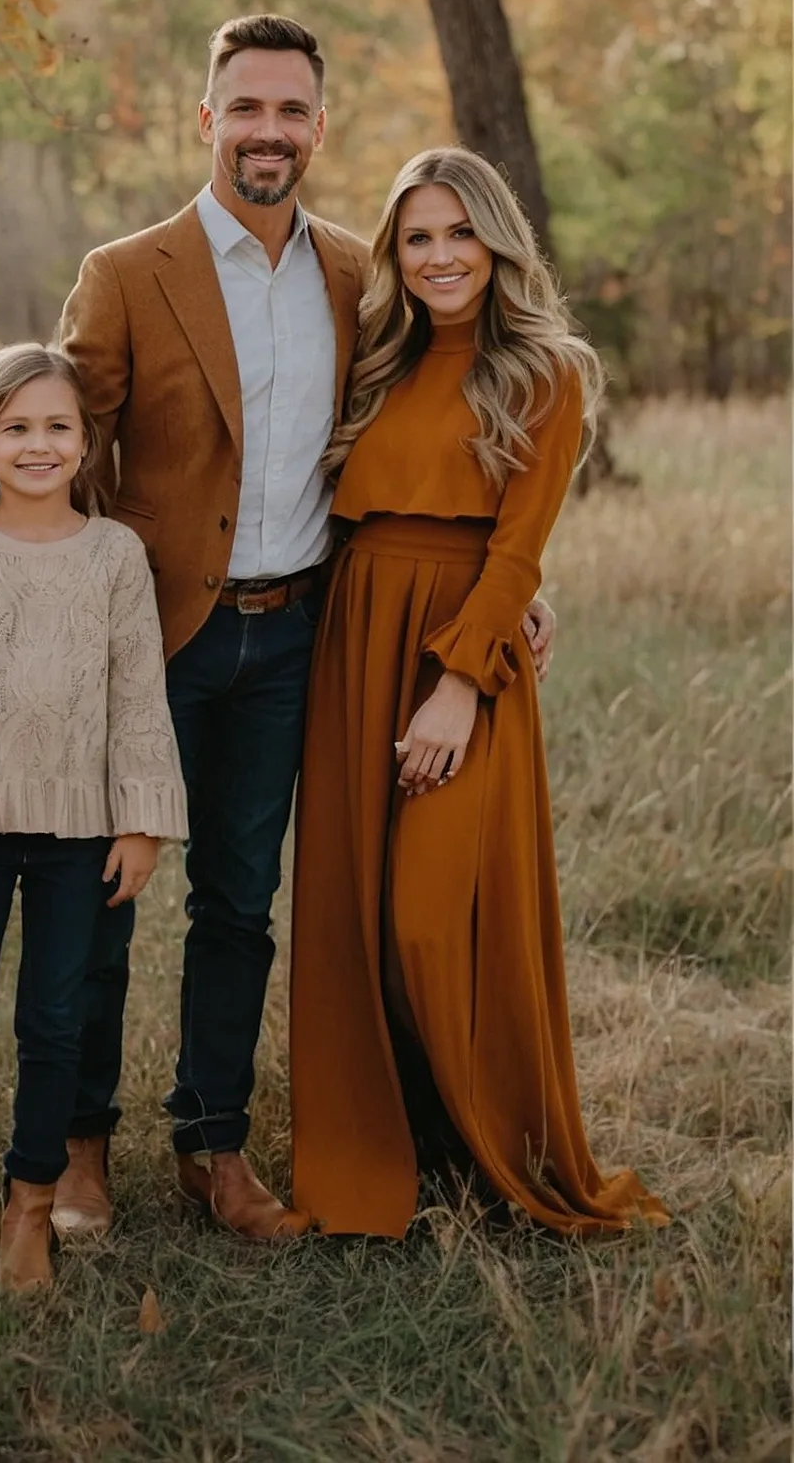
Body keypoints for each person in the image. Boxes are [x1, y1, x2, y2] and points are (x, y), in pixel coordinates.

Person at [0, 16, 557, 1243]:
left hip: (296, 634)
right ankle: (82, 1147)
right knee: (101, 898)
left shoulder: (364, 276)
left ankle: (213, 1146)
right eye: (245, 108)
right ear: (207, 119)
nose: (269, 131)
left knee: (241, 904)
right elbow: (46, 430)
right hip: (147, 638)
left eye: (291, 111)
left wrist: (502, 582)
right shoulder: (127, 271)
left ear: (320, 127)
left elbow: (426, 446)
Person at [289, 148, 669, 1239]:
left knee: (434, 915)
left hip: (464, 650)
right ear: (395, 256)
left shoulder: (546, 370)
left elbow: (520, 547)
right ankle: (396, 1153)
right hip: (357, 637)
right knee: (355, 913)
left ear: (498, 241)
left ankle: (494, 1147)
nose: (440, 256)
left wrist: (459, 684)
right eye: (417, 238)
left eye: (460, 233)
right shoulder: (375, 360)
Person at [0, 344, 186, 1300]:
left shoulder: (115, 556)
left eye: (58, 426)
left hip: (82, 836)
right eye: (16, 427)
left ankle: (27, 1209)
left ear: (87, 439)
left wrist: (142, 823)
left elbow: (139, 696)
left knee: (58, 1020)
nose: (39, 444)